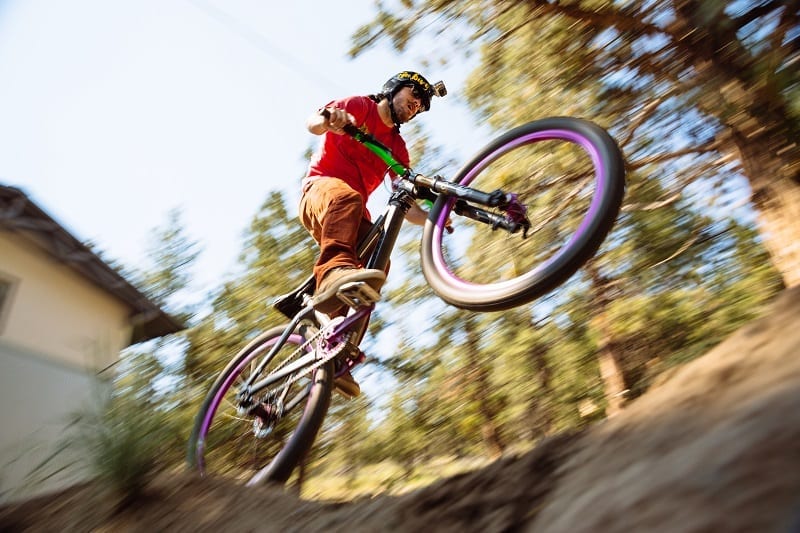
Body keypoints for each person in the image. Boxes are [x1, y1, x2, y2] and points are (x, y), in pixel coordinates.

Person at [298, 71, 444, 397]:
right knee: (347, 197)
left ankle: (339, 348)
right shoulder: (360, 107)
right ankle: (333, 272)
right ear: (393, 89)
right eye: (413, 95)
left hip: (351, 215)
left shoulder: (396, 146)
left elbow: (411, 206)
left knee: (381, 257)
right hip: (321, 193)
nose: (415, 105)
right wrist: (328, 120)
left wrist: (436, 218)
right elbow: (313, 122)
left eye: (420, 105)